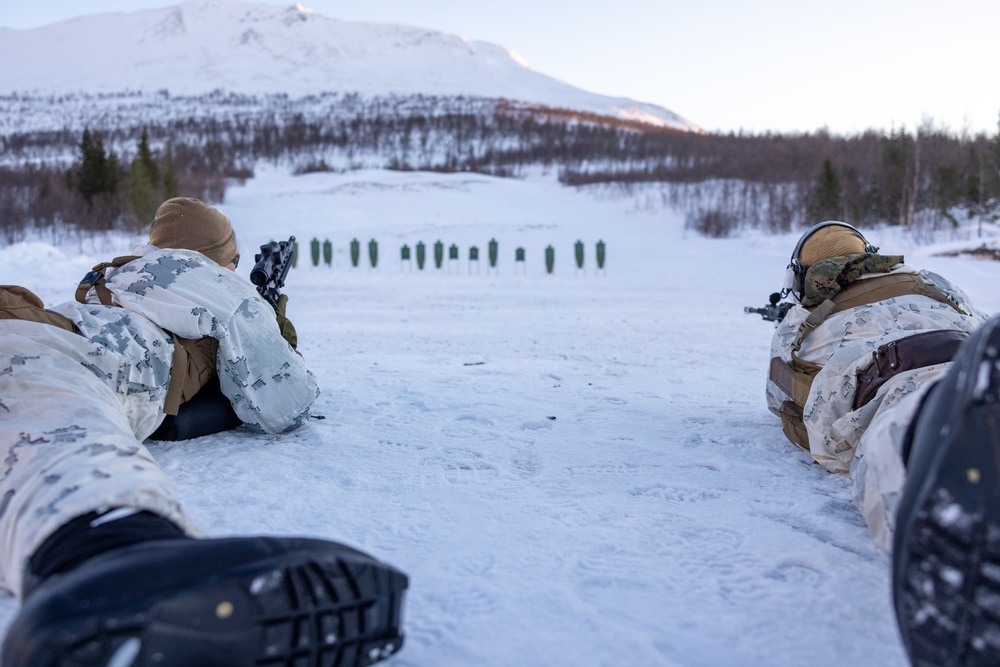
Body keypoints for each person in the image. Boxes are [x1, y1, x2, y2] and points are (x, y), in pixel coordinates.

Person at [0, 198, 408, 666]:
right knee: (53, 438)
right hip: (44, 350)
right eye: (233, 262)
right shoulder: (215, 284)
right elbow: (283, 403)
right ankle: (115, 554)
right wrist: (264, 314)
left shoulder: (114, 276)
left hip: (32, 326)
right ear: (221, 259)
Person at [764, 220, 1000, 665]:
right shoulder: (928, 281)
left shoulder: (802, 315)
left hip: (886, 380)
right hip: (969, 363)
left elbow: (779, 398)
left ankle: (939, 482)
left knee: (899, 446)